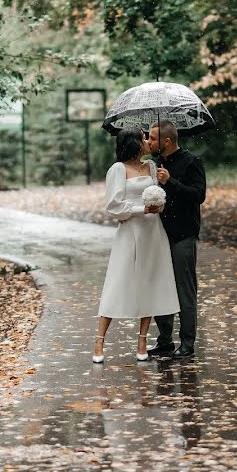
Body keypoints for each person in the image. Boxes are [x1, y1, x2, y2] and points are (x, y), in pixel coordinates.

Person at [93, 128, 180, 363]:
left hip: (153, 232)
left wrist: (158, 201)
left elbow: (157, 198)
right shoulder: (118, 169)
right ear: (132, 143)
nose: (146, 142)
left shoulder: (152, 166)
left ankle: (142, 340)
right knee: (118, 282)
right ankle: (99, 341)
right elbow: (113, 206)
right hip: (130, 232)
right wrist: (141, 209)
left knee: (149, 282)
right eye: (143, 138)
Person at [147, 120, 206, 359]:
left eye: (152, 138)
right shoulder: (154, 164)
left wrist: (170, 181)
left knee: (184, 290)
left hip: (183, 235)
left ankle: (188, 343)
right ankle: (164, 341)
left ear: (167, 141)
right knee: (161, 288)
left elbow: (198, 195)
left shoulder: (192, 162)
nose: (148, 142)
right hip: (158, 236)